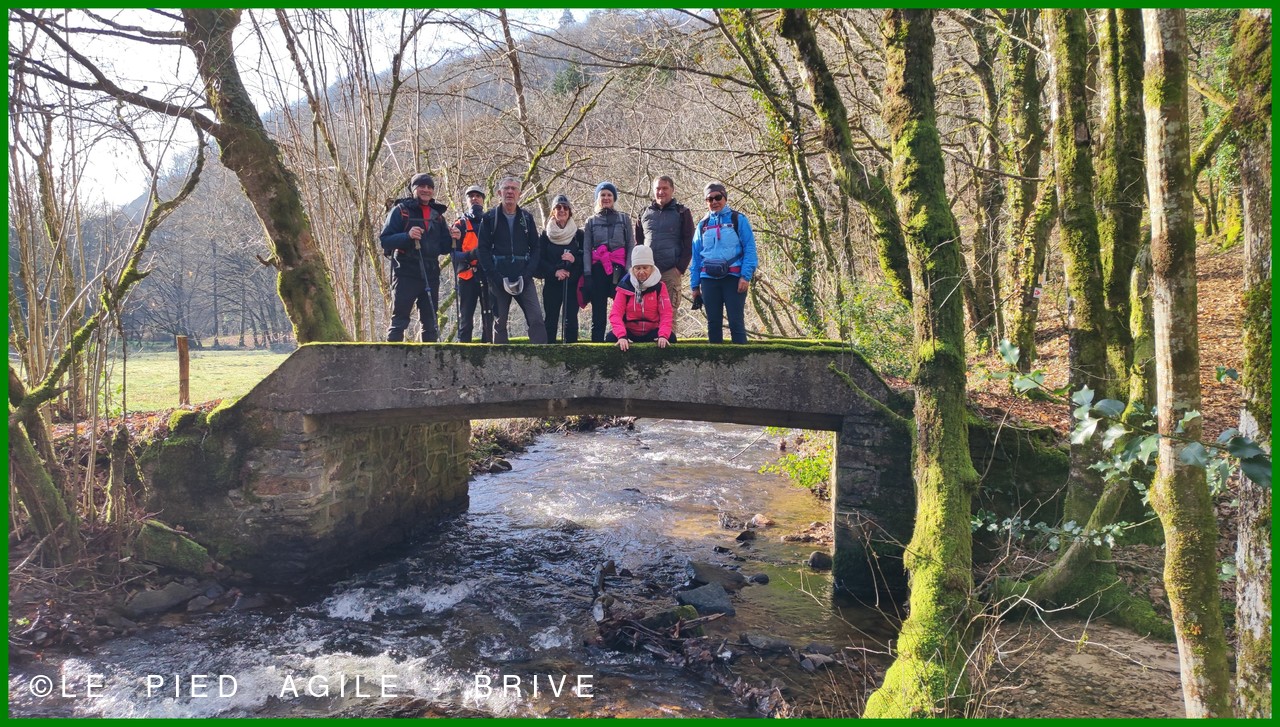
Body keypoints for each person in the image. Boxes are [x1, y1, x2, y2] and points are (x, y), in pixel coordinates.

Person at [380, 172, 450, 342]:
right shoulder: (400, 211)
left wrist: (454, 238)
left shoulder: (437, 216)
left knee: (431, 323)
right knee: (399, 320)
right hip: (405, 272)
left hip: (431, 273)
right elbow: (385, 240)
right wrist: (407, 236)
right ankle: (392, 356)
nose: (426, 190)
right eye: (421, 186)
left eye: (429, 187)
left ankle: (430, 358)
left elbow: (445, 248)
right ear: (413, 189)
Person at [477, 175, 547, 344]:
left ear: (519, 194)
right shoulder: (489, 218)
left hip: (524, 276)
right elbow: (482, 250)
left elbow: (536, 248)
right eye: (506, 188)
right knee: (499, 322)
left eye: (513, 189)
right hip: (498, 277)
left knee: (536, 318)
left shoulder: (527, 218)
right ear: (499, 193)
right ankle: (499, 357)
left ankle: (541, 356)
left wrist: (527, 274)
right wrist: (495, 277)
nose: (510, 192)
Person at [690, 182, 757, 344]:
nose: (714, 202)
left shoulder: (738, 219)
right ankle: (716, 359)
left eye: (718, 197)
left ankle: (742, 359)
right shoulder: (702, 225)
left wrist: (745, 276)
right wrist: (694, 286)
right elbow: (696, 257)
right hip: (708, 279)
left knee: (736, 322)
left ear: (725, 198)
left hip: (733, 278)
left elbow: (750, 249)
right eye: (709, 199)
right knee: (713, 324)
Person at [582, 181, 635, 342]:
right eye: (602, 195)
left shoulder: (624, 219)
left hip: (620, 270)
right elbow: (586, 249)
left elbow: (630, 245)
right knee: (598, 312)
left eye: (609, 195)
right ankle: (597, 345)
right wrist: (587, 274)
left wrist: (628, 270)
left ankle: (623, 340)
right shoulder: (591, 221)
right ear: (597, 198)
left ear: (614, 198)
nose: (606, 198)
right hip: (598, 269)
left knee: (623, 309)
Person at [635, 175, 694, 314]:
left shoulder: (682, 212)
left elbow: (689, 243)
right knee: (647, 315)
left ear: (672, 190)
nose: (661, 192)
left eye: (665, 188)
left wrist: (679, 269)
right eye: (658, 189)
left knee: (668, 315)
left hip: (670, 272)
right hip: (647, 273)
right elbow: (638, 244)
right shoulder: (644, 213)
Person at [449, 185, 494, 342]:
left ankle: (488, 347)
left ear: (483, 199)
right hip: (467, 276)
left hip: (487, 275)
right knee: (466, 317)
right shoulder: (459, 225)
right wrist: (470, 255)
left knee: (489, 315)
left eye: (478, 196)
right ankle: (463, 349)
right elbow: (453, 255)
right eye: (471, 196)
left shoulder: (490, 222)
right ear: (466, 200)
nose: (474, 198)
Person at [605, 245, 672, 351]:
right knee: (611, 338)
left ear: (651, 268)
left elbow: (666, 313)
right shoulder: (624, 286)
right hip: (630, 331)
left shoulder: (660, 287)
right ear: (633, 269)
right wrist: (622, 336)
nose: (641, 272)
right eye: (638, 268)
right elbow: (615, 314)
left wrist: (663, 335)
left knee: (671, 338)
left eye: (645, 268)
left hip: (652, 331)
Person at [537, 193, 584, 343]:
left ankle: (571, 354)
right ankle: (549, 353)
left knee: (571, 321)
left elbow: (586, 259)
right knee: (550, 321)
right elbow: (539, 260)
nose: (562, 210)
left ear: (570, 212)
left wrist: (574, 259)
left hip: (572, 284)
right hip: (552, 284)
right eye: (558, 207)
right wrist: (555, 271)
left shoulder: (579, 235)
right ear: (553, 211)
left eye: (565, 207)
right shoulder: (545, 236)